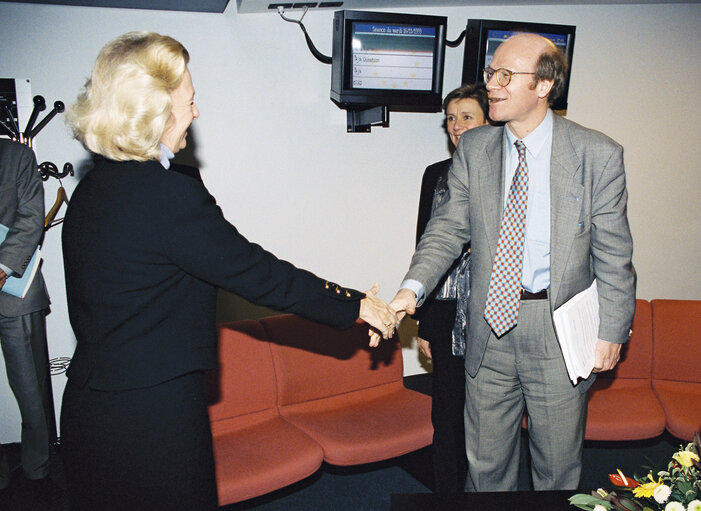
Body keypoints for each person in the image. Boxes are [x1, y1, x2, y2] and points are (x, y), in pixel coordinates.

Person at [60, 31, 398, 511]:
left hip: (90, 407)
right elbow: (258, 273)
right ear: (154, 110)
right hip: (153, 418)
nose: (196, 113)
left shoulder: (91, 191)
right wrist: (356, 304)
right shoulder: (166, 194)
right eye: (190, 101)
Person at [388, 33, 636, 491]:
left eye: (506, 75)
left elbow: (615, 254)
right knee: (484, 466)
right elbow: (445, 230)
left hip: (556, 329)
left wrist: (611, 332)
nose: (492, 86)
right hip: (487, 327)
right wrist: (411, 289)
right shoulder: (476, 149)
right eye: (490, 74)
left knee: (556, 469)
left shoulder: (596, 155)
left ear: (543, 86)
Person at [413, 84, 489, 493]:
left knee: (487, 418)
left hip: (492, 315)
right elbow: (425, 246)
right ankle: (447, 495)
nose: (457, 127)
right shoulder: (434, 175)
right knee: (446, 414)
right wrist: (423, 323)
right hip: (443, 312)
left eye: (467, 117)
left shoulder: (508, 173)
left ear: (489, 121)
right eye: (451, 118)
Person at [0, 139, 54, 497]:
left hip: (13, 293)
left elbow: (32, 215)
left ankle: (37, 473)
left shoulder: (17, 155)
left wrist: (2, 268)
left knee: (31, 389)